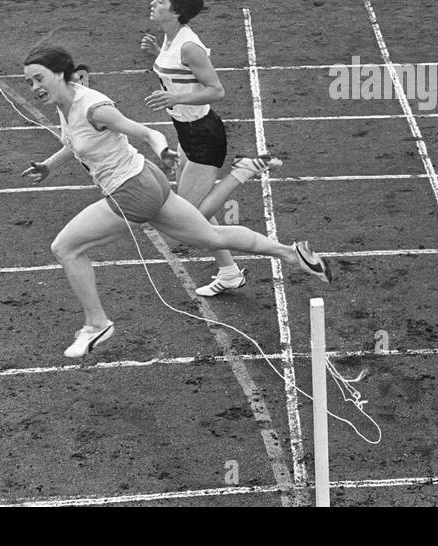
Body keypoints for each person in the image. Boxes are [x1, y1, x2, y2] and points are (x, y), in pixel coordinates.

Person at [20, 46, 331, 357]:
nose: (35, 88)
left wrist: (163, 149)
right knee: (212, 236)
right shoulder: (67, 99)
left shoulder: (93, 108)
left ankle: (96, 323)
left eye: (39, 79)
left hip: (131, 191)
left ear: (60, 74)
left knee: (65, 248)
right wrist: (49, 165)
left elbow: (146, 132)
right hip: (146, 180)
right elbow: (76, 140)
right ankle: (293, 255)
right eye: (29, 83)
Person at [136, 0, 278, 296]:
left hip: (202, 136)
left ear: (176, 11)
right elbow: (179, 73)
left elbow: (217, 90)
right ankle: (229, 272)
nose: (152, 3)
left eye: (159, 1)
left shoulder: (189, 46)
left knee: (190, 219)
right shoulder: (170, 39)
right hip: (186, 133)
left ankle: (239, 175)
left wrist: (175, 99)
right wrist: (157, 52)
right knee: (197, 211)